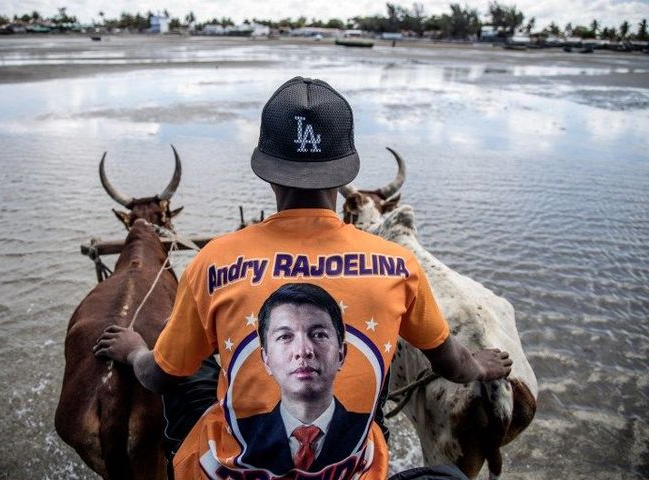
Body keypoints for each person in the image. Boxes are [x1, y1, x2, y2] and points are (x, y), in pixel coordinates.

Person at [94, 76, 512, 480]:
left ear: (267, 171)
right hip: (360, 471)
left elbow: (158, 376)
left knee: (195, 360)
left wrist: (133, 351)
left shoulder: (212, 260)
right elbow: (452, 364)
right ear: (344, 173)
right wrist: (479, 366)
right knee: (376, 400)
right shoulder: (399, 264)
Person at [237, 283, 369, 474]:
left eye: (319, 334)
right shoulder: (240, 434)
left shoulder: (365, 431)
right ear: (266, 359)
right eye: (285, 337)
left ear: (341, 354)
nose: (303, 351)